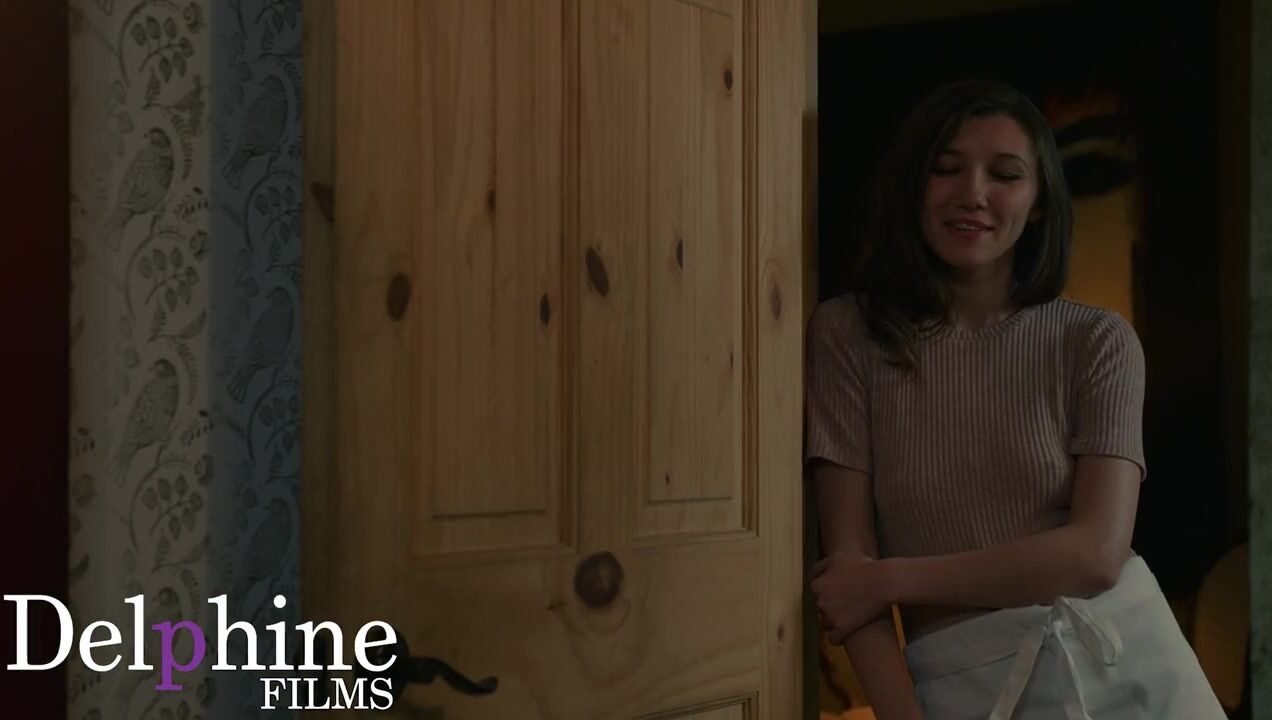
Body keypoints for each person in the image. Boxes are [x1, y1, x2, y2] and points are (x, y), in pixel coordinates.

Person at [804, 79, 1226, 720]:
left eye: (1004, 174)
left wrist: (890, 579)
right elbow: (847, 581)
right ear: (911, 186)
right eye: (945, 168)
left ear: (1038, 203)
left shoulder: (1098, 340)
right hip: (961, 682)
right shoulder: (848, 334)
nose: (972, 192)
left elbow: (1096, 554)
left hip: (1127, 664)